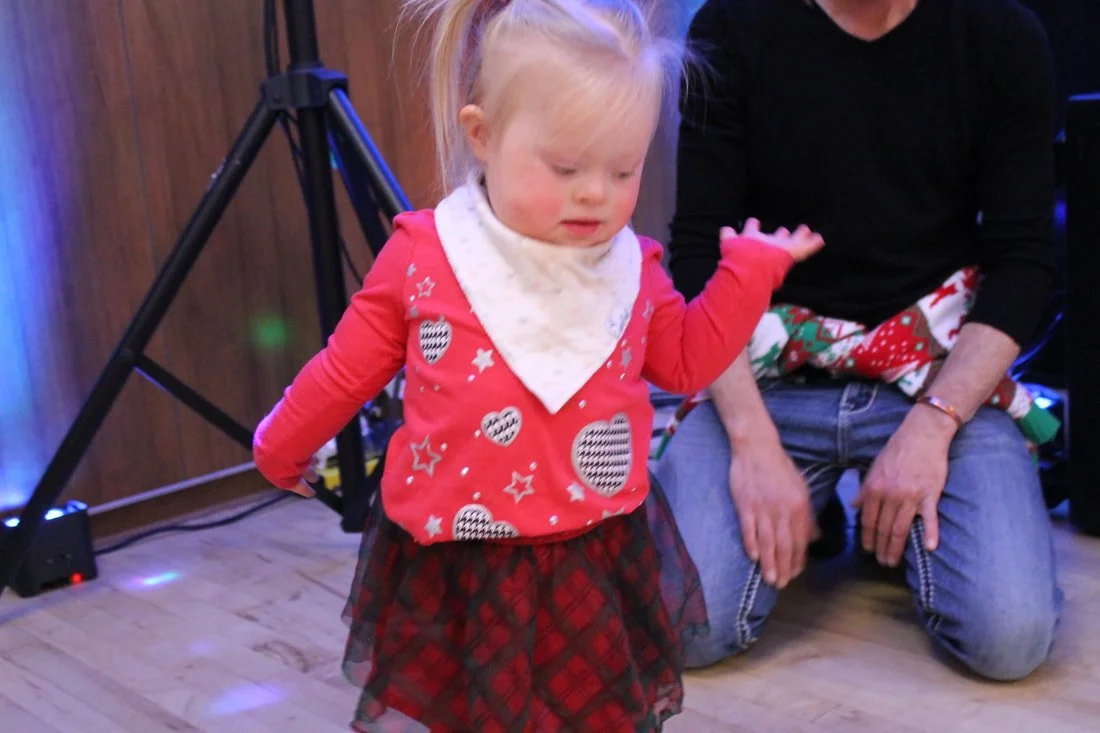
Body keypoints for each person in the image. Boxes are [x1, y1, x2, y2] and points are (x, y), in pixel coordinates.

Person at [252, 1, 823, 730]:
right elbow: (344, 369)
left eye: (624, 169)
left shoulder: (632, 270)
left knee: (595, 709)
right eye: (565, 166)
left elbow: (684, 363)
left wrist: (745, 275)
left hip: (591, 548)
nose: (596, 192)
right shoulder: (427, 255)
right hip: (461, 552)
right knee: (475, 710)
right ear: (482, 135)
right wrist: (280, 443)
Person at [656, 0, 1063, 682]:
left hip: (932, 373)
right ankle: (826, 511)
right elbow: (700, 257)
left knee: (1009, 637)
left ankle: (884, 526)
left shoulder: (1001, 34)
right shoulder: (730, 27)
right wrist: (752, 444)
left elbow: (1024, 260)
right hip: (771, 373)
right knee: (685, 624)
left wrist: (935, 424)